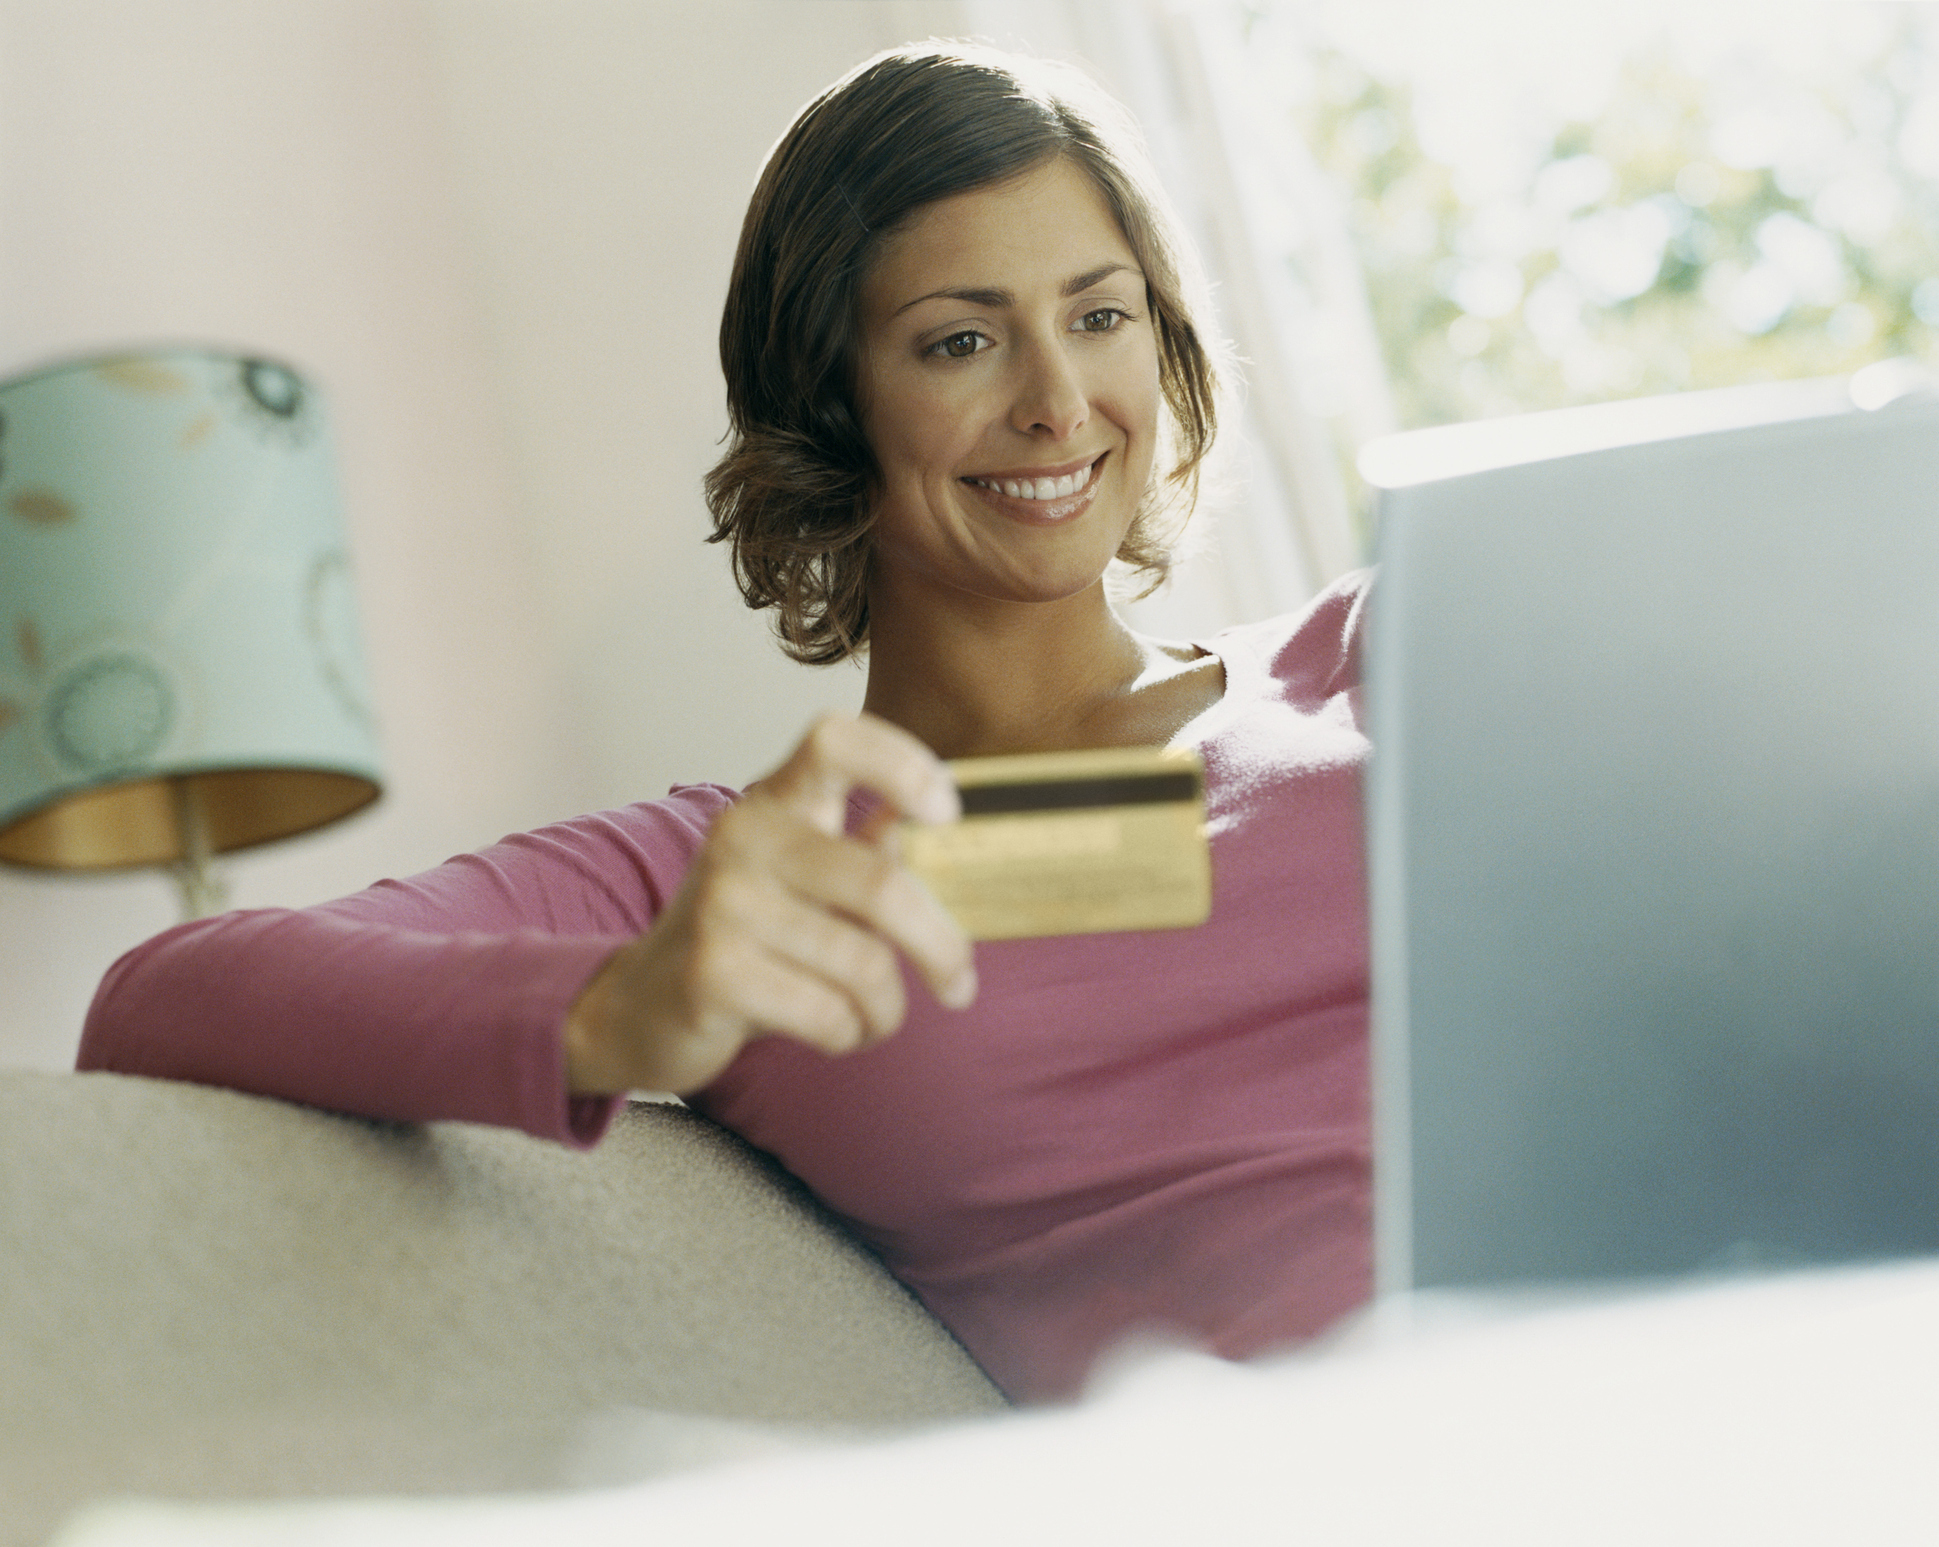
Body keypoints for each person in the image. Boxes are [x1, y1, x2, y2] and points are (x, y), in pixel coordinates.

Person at [79, 43, 1372, 1405]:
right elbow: (160, 999)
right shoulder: (740, 876)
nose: (1057, 401)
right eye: (962, 340)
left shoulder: (1364, 658)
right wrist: (618, 1009)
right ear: (828, 405)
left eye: (1100, 316)